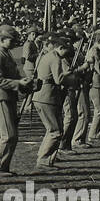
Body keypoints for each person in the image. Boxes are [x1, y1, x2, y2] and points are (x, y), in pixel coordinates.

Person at [0, 24, 35, 179]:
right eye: (11, 39)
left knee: (13, 135)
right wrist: (19, 83)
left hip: (9, 97)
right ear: (2, 39)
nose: (14, 43)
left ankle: (2, 166)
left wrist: (22, 81)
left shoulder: (6, 54)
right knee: (8, 135)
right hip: (0, 98)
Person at [32, 34, 70, 171]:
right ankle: (43, 160)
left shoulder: (47, 56)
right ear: (60, 48)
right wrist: (71, 76)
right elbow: (59, 79)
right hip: (47, 96)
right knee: (55, 131)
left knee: (52, 130)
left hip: (43, 96)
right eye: (66, 50)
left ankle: (45, 157)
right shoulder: (55, 58)